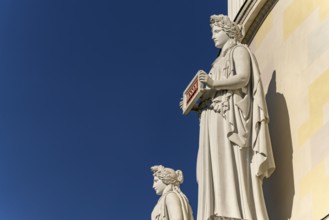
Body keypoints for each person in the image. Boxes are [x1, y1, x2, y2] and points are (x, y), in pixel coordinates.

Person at [182, 15, 275, 220]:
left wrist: (214, 83)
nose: (213, 37)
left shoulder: (239, 50)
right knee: (214, 165)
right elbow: (215, 88)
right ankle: (219, 210)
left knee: (230, 160)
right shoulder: (218, 61)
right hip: (213, 116)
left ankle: (235, 212)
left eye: (216, 31)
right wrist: (197, 101)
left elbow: (243, 78)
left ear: (228, 31)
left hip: (230, 117)